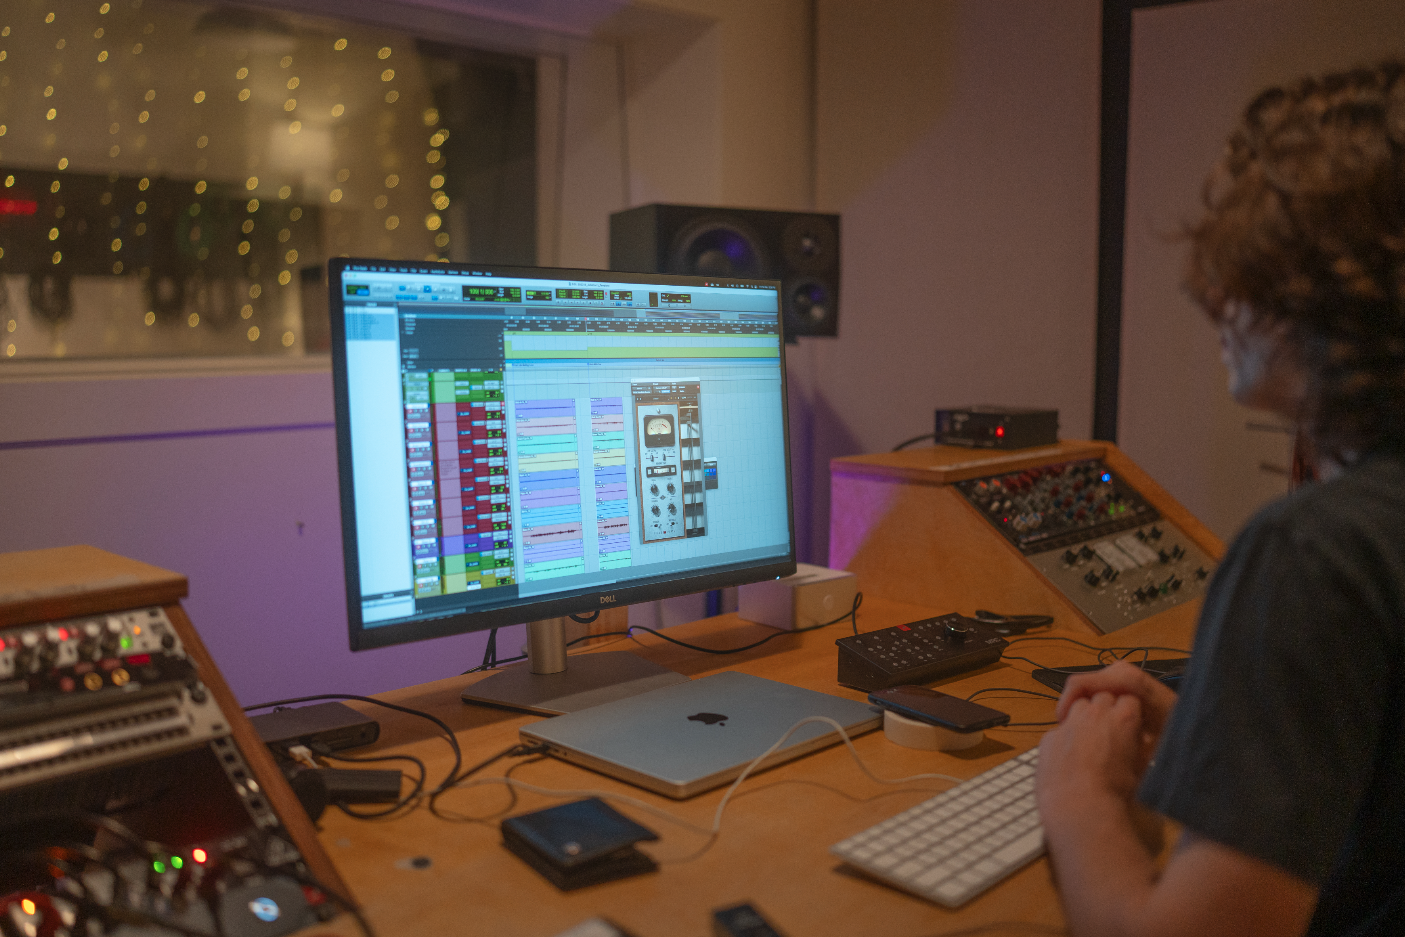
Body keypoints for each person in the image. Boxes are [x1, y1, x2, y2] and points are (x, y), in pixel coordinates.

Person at [1035, 62, 1405, 937]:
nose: (1210, 297)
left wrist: (1074, 790)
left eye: (1241, 263)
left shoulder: (1315, 549)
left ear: (1320, 294)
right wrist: (1231, 737)